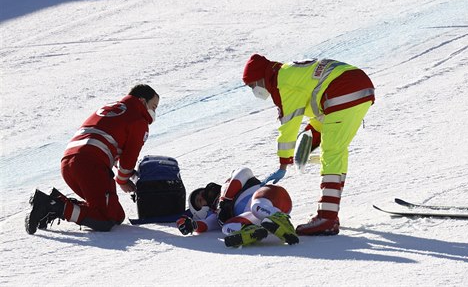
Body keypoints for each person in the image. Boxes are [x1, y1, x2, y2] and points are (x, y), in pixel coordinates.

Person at [241, 54, 375, 235]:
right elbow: (317, 108)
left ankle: (326, 218)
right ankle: (330, 215)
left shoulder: (282, 83)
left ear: (261, 78)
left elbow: (288, 125)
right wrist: (306, 144)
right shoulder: (287, 73)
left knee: (332, 152)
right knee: (335, 150)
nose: (254, 90)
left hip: (343, 90)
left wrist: (283, 163)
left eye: (252, 85)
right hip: (355, 87)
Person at [25, 84, 159, 234]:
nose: (154, 112)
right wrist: (122, 180)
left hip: (69, 162)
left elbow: (106, 141)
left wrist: (122, 173)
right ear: (141, 101)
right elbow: (129, 157)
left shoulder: (110, 107)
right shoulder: (138, 120)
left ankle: (55, 204)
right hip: (90, 165)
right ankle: (53, 206)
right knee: (106, 218)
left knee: (116, 214)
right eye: (153, 106)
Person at [175, 167, 299, 247]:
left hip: (272, 196)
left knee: (256, 207)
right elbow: (206, 225)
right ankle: (254, 232)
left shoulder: (227, 186)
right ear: (202, 210)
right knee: (227, 228)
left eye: (200, 193)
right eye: (199, 200)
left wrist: (225, 201)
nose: (202, 195)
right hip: (259, 215)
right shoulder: (217, 215)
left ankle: (282, 221)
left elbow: (244, 172)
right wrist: (191, 225)